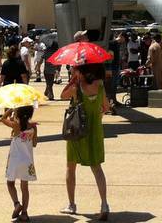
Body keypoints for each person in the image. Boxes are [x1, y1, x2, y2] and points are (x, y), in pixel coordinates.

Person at [59, 63, 110, 220]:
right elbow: (106, 106)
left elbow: (62, 96)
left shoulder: (76, 88)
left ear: (80, 72)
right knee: (97, 168)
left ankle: (72, 204)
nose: (73, 71)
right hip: (94, 130)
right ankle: (104, 203)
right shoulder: (100, 85)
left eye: (75, 69)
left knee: (71, 166)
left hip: (77, 131)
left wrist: (72, 80)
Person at [3, 105, 38, 222]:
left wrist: (10, 110)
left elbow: (2, 119)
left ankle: (17, 203)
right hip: (27, 161)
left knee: (10, 183)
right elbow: (34, 144)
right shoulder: (33, 127)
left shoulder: (16, 126)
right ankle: (24, 213)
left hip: (15, 160)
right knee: (25, 188)